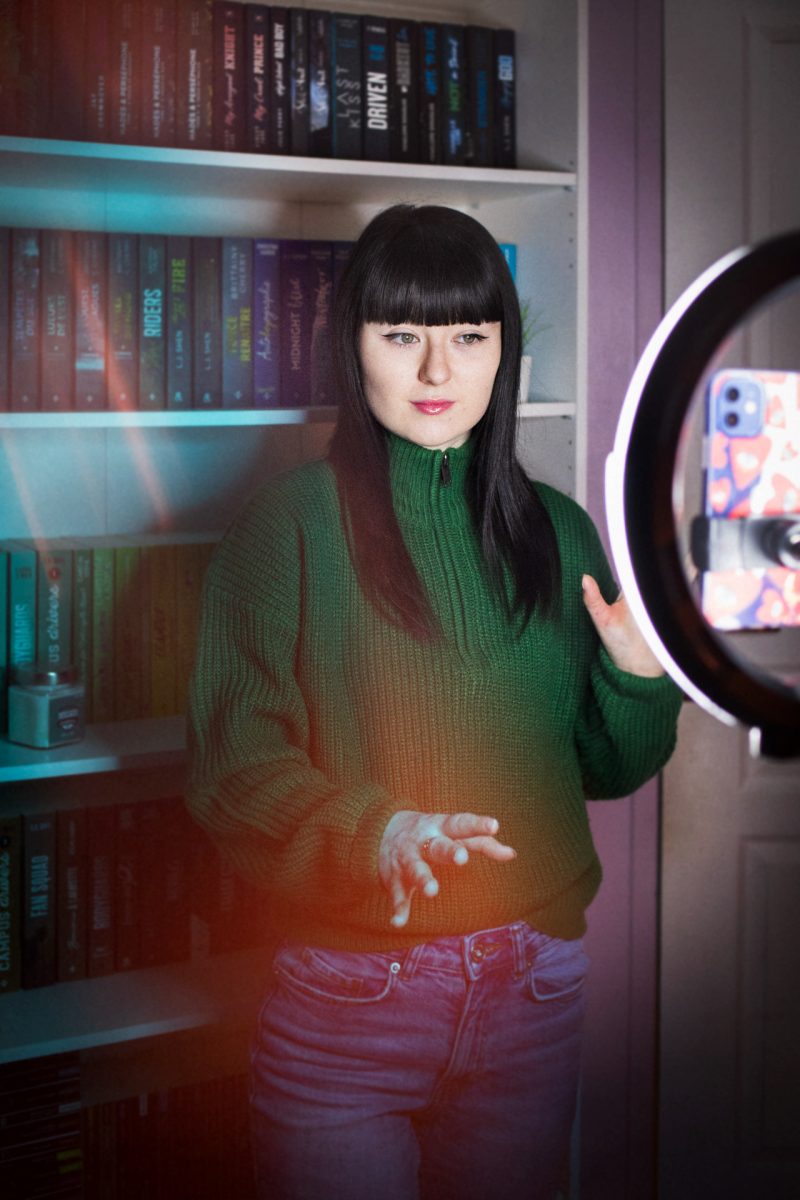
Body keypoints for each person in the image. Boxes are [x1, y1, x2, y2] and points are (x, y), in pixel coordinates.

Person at [186, 203, 682, 1200]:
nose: (435, 373)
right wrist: (375, 832)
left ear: (504, 353)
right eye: (400, 334)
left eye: (467, 336)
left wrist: (636, 678)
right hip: (350, 994)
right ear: (349, 346)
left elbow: (606, 766)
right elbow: (230, 769)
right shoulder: (283, 529)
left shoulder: (557, 530)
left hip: (536, 992)